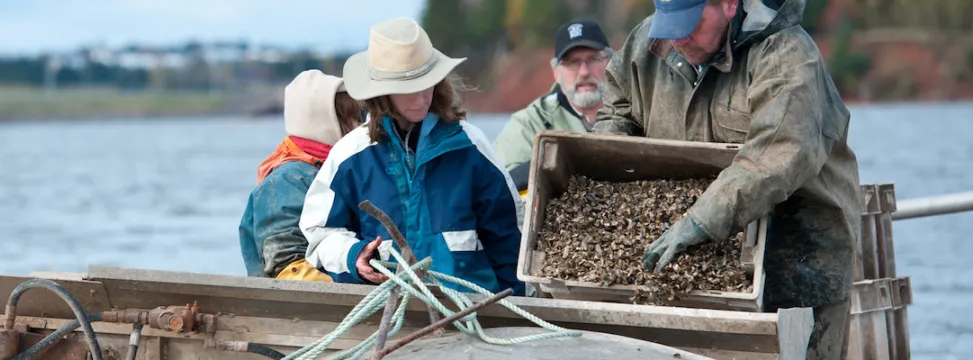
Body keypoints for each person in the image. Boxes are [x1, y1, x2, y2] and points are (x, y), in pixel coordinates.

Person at [596, 0, 861, 358]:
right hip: (686, 265)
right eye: (669, 24)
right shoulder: (648, 43)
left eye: (689, 23)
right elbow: (618, 106)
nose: (679, 37)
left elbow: (778, 154)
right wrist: (608, 173)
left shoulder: (785, 54)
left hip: (799, 255)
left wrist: (701, 220)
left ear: (729, 4)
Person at [300, 17, 525, 295]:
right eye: (408, 88)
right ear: (381, 91)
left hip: (474, 313)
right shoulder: (349, 156)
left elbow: (509, 237)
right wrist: (354, 255)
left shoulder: (471, 146)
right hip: (384, 314)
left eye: (427, 83)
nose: (421, 97)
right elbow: (319, 235)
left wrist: (519, 311)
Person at [238, 69, 364, 282]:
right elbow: (288, 267)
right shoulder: (286, 181)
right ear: (326, 122)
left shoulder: (334, 169)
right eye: (354, 119)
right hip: (305, 308)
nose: (362, 127)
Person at [493, 19, 613, 186]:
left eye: (593, 59)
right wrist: (554, 158)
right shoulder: (529, 123)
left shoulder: (638, 111)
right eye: (572, 62)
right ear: (556, 72)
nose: (584, 72)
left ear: (611, 63)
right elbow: (502, 186)